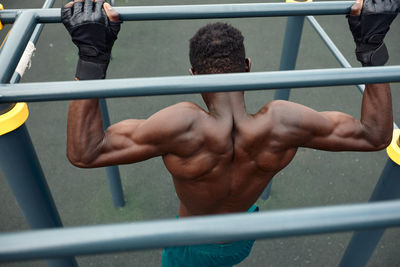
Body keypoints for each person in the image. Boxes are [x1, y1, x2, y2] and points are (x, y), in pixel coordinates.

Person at [62, 0, 398, 266]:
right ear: (248, 67)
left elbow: (85, 151)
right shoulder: (284, 122)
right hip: (242, 236)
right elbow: (374, 134)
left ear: (194, 75)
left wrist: (92, 61)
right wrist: (372, 51)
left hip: (192, 245)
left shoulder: (183, 126)